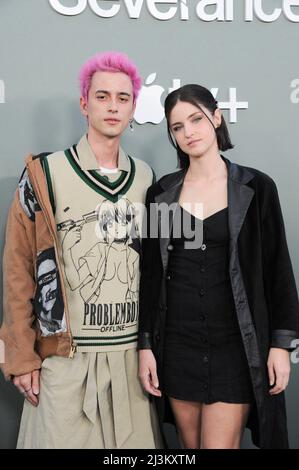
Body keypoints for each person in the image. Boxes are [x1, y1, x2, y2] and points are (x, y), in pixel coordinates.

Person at [0, 51, 162, 449]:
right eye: (102, 96)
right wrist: (21, 356)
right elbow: (19, 268)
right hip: (65, 360)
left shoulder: (145, 176)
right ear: (84, 103)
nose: (112, 106)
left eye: (123, 99)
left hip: (129, 361)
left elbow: (156, 268)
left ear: (133, 107)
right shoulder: (45, 173)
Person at [138, 84, 299, 449]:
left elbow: (278, 271)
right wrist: (145, 344)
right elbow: (150, 276)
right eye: (177, 127)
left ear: (216, 117)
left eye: (195, 119)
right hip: (177, 345)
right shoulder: (162, 193)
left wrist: (281, 345)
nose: (188, 132)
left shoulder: (256, 187)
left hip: (235, 346)